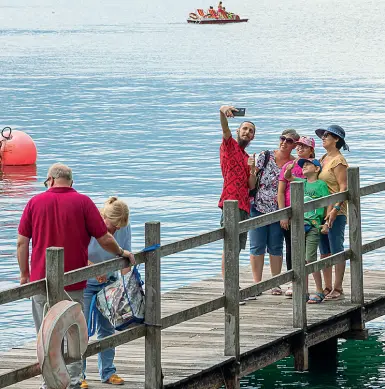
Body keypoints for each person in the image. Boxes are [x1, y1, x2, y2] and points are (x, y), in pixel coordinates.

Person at [17, 163, 135, 389]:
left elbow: (22, 241)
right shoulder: (84, 202)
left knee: (45, 334)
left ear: (50, 180)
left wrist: (24, 275)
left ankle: (49, 383)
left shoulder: (34, 203)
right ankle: (72, 381)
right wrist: (121, 252)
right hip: (74, 281)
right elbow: (104, 237)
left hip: (41, 282)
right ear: (71, 182)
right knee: (74, 332)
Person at [81, 197, 131, 388]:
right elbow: (77, 254)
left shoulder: (123, 226)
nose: (115, 231)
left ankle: (108, 371)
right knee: (81, 329)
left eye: (119, 228)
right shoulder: (89, 224)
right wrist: (93, 269)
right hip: (85, 282)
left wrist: (127, 287)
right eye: (113, 227)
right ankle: (79, 374)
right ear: (103, 218)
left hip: (110, 281)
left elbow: (125, 254)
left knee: (107, 329)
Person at [248, 129, 299, 297]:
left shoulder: (295, 162)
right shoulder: (266, 156)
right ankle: (257, 284)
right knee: (257, 245)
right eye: (282, 138)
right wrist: (252, 171)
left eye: (289, 141)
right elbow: (252, 181)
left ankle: (276, 283)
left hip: (279, 209)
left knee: (276, 246)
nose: (284, 142)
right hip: (259, 207)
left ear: (294, 145)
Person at [284, 158, 331, 303]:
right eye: (302, 165)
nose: (304, 166)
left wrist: (327, 222)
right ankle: (303, 290)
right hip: (299, 225)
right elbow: (287, 177)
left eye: (308, 164)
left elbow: (328, 201)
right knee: (300, 259)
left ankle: (319, 290)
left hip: (314, 225)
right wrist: (289, 168)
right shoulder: (301, 182)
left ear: (317, 169)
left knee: (310, 258)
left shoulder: (321, 185)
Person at [218, 105, 256, 281]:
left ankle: (233, 283)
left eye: (251, 131)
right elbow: (224, 129)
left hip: (244, 205)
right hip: (230, 203)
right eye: (245, 129)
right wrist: (222, 110)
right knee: (229, 247)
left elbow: (251, 185)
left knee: (238, 247)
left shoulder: (247, 156)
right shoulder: (229, 145)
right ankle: (229, 285)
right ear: (238, 130)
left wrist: (253, 169)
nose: (247, 132)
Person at [315, 125, 349, 301]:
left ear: (336, 139)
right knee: (324, 250)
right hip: (321, 210)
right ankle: (327, 286)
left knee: (336, 248)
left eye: (327, 135)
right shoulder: (323, 158)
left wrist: (336, 209)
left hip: (336, 210)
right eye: (323, 135)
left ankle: (338, 287)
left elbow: (343, 187)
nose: (324, 138)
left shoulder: (339, 161)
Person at [278, 136, 315, 297]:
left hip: (308, 215)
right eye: (298, 146)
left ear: (311, 150)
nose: (300, 149)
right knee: (291, 247)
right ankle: (293, 282)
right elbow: (280, 191)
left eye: (304, 147)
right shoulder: (288, 165)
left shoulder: (314, 167)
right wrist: (283, 215)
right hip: (290, 212)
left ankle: (306, 284)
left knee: (308, 250)